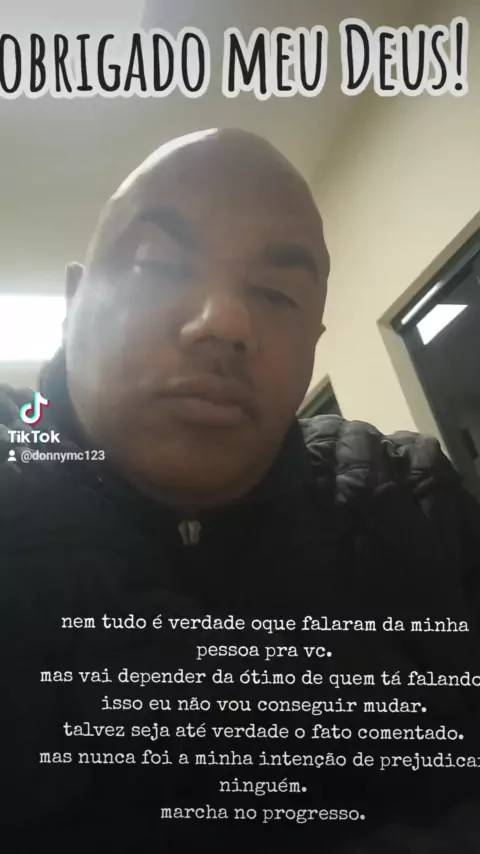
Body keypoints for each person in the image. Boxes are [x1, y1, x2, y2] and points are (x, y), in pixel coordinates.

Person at [1, 128, 480, 853]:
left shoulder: (412, 501)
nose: (225, 323)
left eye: (278, 294)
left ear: (313, 340)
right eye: (157, 265)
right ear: (73, 301)